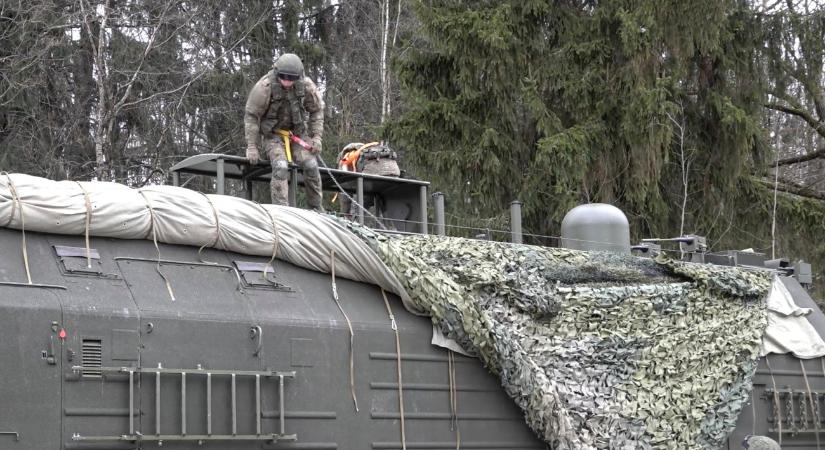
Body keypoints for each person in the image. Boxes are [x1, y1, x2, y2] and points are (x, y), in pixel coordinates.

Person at [244, 53, 325, 210]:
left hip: (298, 136)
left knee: (311, 165)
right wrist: (252, 146)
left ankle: (316, 209)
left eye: (291, 78)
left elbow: (317, 111)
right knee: (280, 166)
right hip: (272, 136)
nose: (287, 81)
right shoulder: (264, 87)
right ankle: (282, 211)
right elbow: (251, 116)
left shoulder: (307, 86)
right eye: (283, 77)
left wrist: (316, 138)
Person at [336, 141, 401, 221]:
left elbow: (345, 195)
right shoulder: (369, 152)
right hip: (395, 175)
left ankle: (353, 225)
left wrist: (345, 214)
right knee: (381, 199)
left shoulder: (345, 159)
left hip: (372, 177)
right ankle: (391, 227)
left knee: (358, 210)